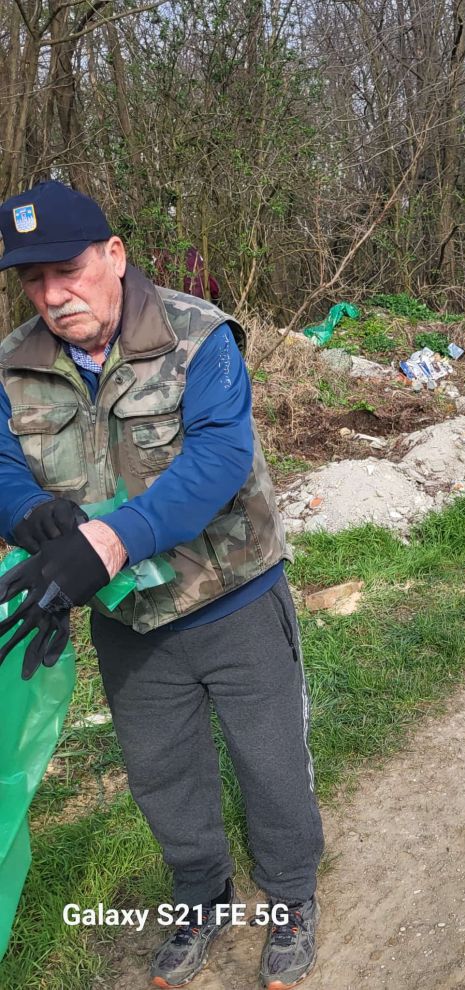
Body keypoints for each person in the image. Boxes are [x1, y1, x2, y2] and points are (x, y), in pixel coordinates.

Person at [0, 181, 324, 990]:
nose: (52, 294)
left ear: (114, 256)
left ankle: (290, 898)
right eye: (32, 280)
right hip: (130, 624)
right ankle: (201, 896)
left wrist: (106, 542)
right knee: (161, 773)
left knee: (272, 763)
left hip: (235, 598)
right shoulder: (14, 365)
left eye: (67, 269)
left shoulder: (199, 336)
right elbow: (2, 465)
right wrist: (36, 518)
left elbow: (218, 462)